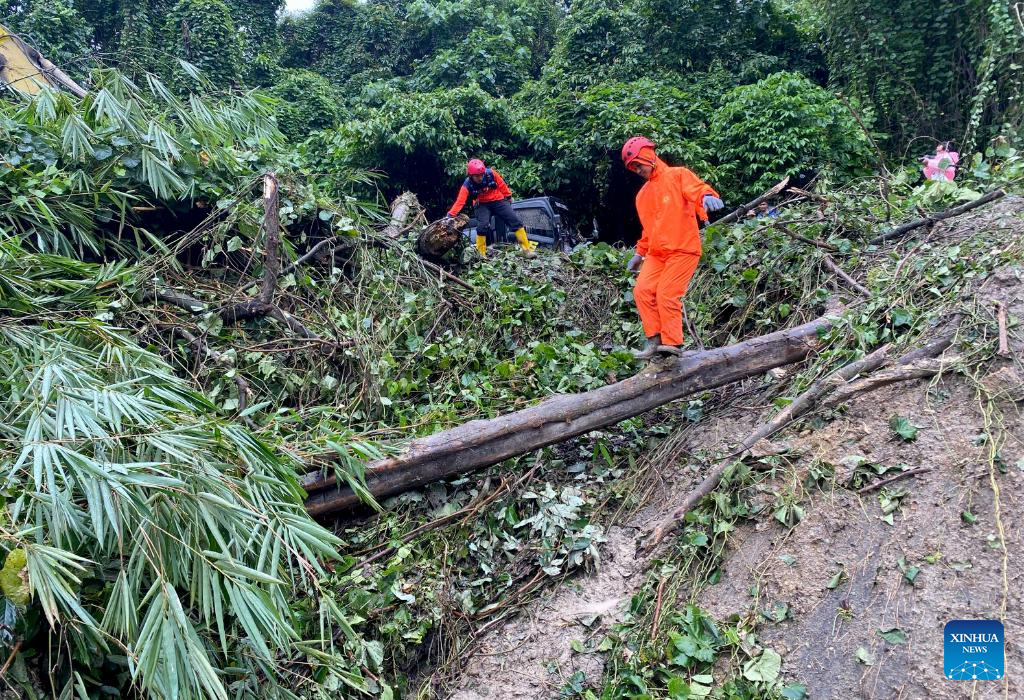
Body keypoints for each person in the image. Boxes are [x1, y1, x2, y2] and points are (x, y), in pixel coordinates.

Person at [621, 136, 723, 359]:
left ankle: (672, 344)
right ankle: (654, 341)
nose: (637, 169)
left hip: (683, 250)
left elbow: (697, 189)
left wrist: (706, 196)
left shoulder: (678, 175)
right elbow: (648, 229)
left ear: (648, 156)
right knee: (642, 291)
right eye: (633, 167)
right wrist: (639, 254)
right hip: (657, 254)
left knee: (666, 294)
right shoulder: (642, 196)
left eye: (639, 163)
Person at [446, 159, 536, 259]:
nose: (480, 178)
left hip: (498, 200)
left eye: (481, 174)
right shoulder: (467, 184)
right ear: (471, 175)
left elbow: (502, 185)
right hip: (482, 204)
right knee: (482, 226)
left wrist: (509, 196)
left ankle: (526, 250)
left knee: (515, 221)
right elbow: (460, 201)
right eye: (477, 176)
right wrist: (450, 215)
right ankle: (481, 254)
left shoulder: (491, 174)